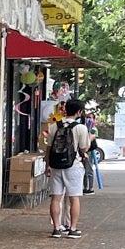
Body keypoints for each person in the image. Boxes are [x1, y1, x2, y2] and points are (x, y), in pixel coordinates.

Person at [41, 94, 92, 238]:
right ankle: (73, 228)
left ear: (65, 110)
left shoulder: (53, 126)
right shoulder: (81, 128)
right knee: (74, 198)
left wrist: (47, 166)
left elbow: (49, 148)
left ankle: (57, 228)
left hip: (56, 165)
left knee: (56, 198)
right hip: (73, 166)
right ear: (79, 112)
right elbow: (84, 148)